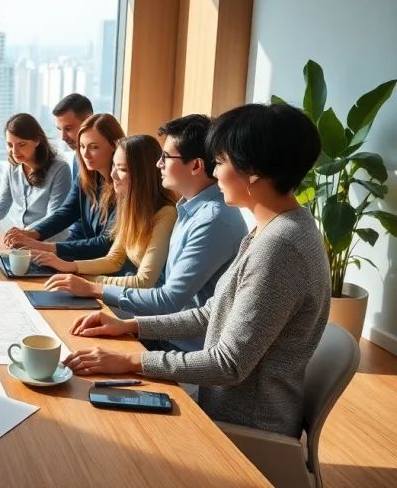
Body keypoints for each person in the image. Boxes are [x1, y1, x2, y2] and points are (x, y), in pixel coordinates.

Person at [62, 102, 330, 438]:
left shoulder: (281, 246)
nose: (215, 174)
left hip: (239, 425)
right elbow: (210, 313)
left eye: (220, 162)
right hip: (219, 403)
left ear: (254, 171)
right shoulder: (271, 229)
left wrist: (130, 361)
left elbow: (226, 364)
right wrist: (128, 326)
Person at [48, 115, 247, 352]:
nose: (158, 164)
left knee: (79, 341)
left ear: (195, 166)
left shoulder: (212, 220)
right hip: (164, 331)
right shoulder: (188, 208)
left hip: (185, 348)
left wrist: (92, 286)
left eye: (166, 157)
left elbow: (168, 299)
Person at [38, 134, 176, 288]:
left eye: (122, 169)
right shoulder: (127, 205)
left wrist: (88, 281)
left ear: (143, 175)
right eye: (114, 166)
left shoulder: (166, 214)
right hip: (135, 294)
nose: (113, 175)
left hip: (154, 300)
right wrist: (69, 266)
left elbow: (144, 281)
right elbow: (114, 259)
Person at [3, 113, 125, 261]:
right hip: (86, 258)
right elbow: (67, 212)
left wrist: (47, 248)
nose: (85, 154)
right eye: (82, 146)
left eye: (94, 147)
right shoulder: (86, 177)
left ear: (114, 146)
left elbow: (105, 244)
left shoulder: (123, 185)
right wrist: (32, 234)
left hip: (105, 266)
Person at [0, 113, 72, 235]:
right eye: (10, 145)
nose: (14, 152)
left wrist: (22, 234)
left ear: (37, 140)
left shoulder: (60, 169)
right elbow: (1, 208)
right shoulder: (12, 167)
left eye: (21, 144)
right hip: (22, 242)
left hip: (49, 243)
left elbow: (53, 217)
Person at [52, 93, 94, 184]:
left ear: (89, 120)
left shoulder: (115, 159)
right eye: (60, 129)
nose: (63, 137)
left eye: (68, 128)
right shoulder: (77, 157)